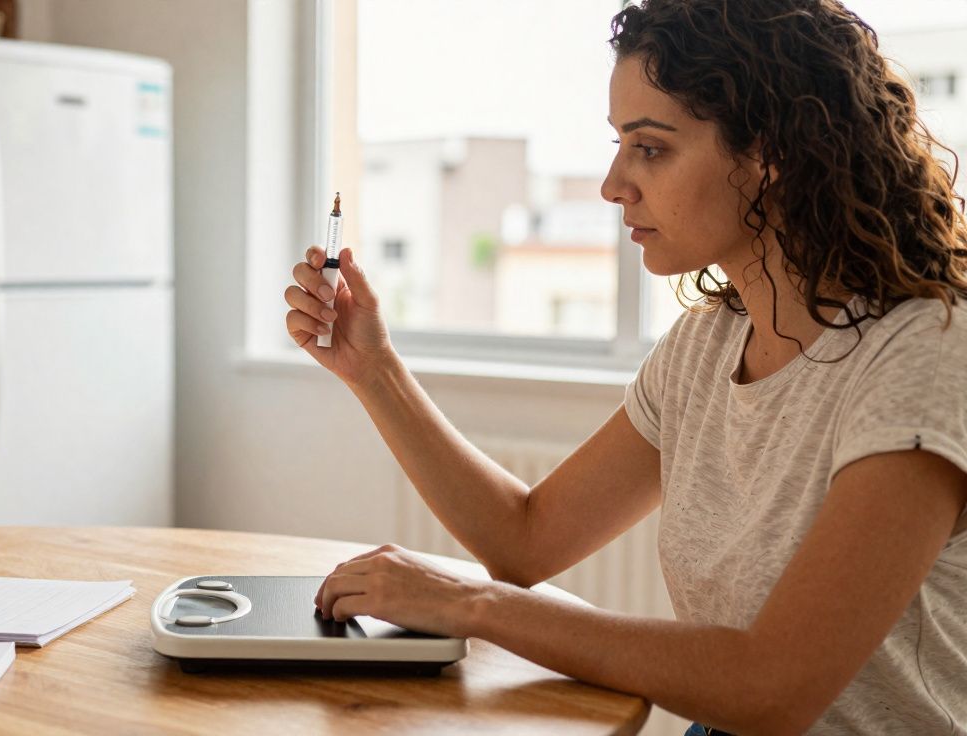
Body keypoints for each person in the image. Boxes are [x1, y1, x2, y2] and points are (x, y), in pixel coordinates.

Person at [282, 1, 967, 733]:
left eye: (651, 148)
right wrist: (374, 368)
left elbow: (773, 686)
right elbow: (523, 539)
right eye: (620, 145)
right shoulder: (701, 350)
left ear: (771, 154)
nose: (613, 184)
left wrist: (472, 605)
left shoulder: (925, 352)